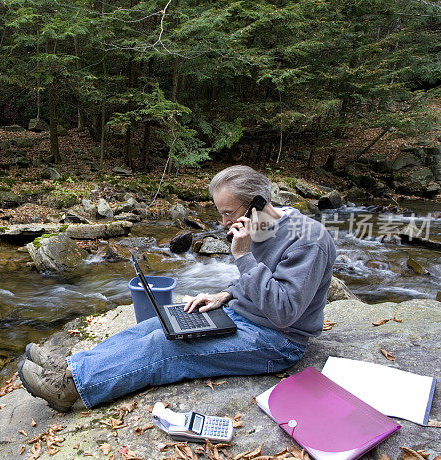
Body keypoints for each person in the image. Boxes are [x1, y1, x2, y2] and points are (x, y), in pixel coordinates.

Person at [18, 165, 337, 412]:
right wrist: (224, 295)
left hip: (276, 340)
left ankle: (70, 388)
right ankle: (70, 366)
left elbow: (282, 311)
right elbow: (257, 280)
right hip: (241, 316)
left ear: (258, 204)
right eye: (220, 213)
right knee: (156, 325)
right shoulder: (260, 225)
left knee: (165, 346)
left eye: (228, 213)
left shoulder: (307, 239)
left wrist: (241, 255)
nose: (224, 223)